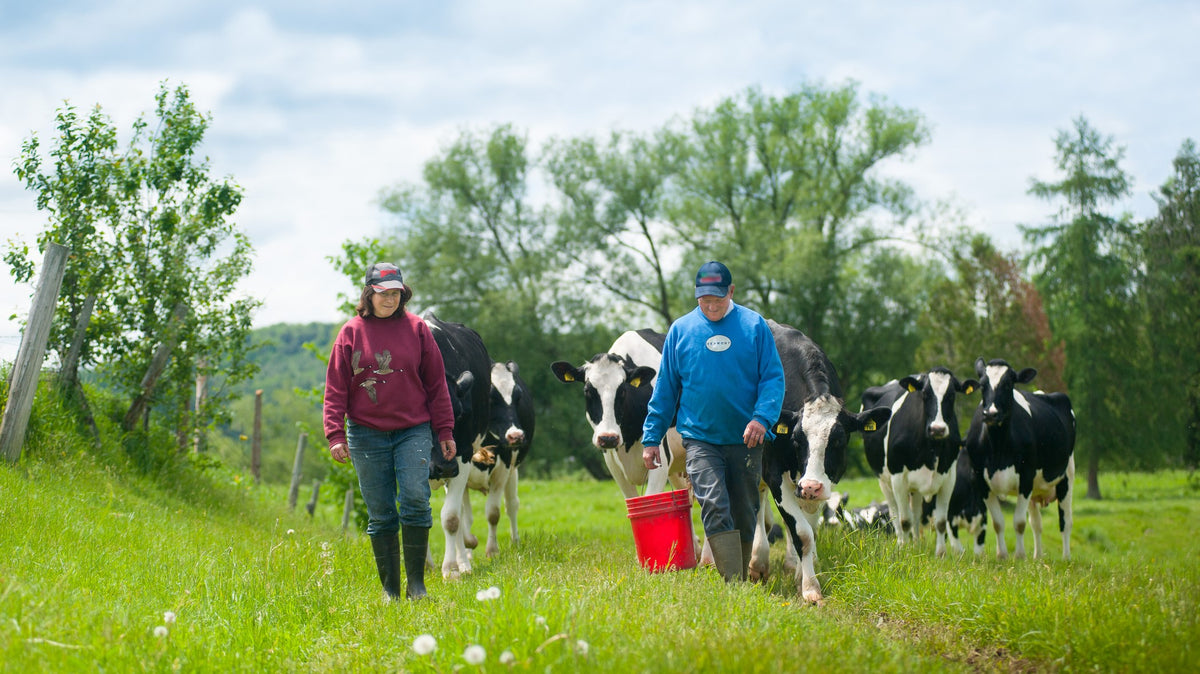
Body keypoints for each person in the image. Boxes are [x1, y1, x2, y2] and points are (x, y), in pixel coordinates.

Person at [641, 261, 786, 581]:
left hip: (747, 439)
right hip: (700, 439)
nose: (710, 306)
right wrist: (651, 437)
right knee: (713, 504)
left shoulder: (754, 326)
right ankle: (733, 584)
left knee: (745, 511)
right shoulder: (681, 330)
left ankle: (741, 576)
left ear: (731, 292)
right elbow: (665, 388)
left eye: (717, 299)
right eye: (704, 300)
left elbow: (773, 379)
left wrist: (762, 419)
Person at [323, 262, 457, 601]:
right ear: (369, 294)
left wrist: (444, 431)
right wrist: (335, 434)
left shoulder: (417, 330)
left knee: (415, 498)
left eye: (396, 293)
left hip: (412, 429)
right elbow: (336, 388)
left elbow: (436, 384)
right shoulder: (350, 333)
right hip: (366, 433)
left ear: (403, 294)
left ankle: (417, 586)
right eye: (384, 293)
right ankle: (390, 590)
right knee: (381, 512)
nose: (390, 299)